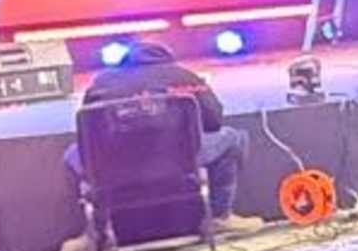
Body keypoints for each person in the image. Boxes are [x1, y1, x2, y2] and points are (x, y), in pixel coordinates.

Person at [67, 39, 247, 221]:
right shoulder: (184, 77)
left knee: (71, 154)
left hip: (115, 165)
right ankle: (220, 217)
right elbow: (214, 120)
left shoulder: (102, 83)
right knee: (232, 138)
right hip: (179, 160)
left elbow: (89, 135)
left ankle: (95, 226)